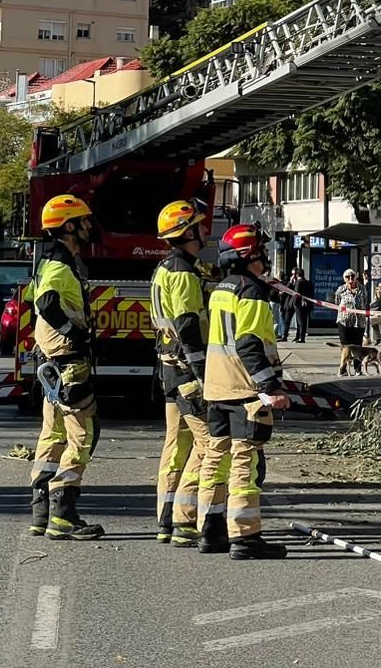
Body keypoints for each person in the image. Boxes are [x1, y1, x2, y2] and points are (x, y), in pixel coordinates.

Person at [198, 224, 289, 560]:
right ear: (250, 254)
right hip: (244, 389)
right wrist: (271, 386)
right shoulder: (250, 290)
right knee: (244, 465)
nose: (265, 256)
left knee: (215, 460)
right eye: (261, 250)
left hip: (217, 387)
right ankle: (246, 537)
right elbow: (249, 342)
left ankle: (211, 532)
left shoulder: (222, 288)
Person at [29, 193, 104, 541]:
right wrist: (75, 333)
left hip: (52, 364)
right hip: (66, 362)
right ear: (69, 226)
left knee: (53, 436)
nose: (90, 226)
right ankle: (63, 513)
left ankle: (41, 512)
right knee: (83, 435)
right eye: (84, 221)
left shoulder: (51, 262)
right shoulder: (59, 266)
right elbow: (46, 304)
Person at [150, 200, 213, 548]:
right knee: (206, 446)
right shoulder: (184, 273)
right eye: (199, 226)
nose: (204, 231)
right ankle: (186, 521)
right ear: (187, 232)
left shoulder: (164, 268)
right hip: (188, 370)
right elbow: (188, 322)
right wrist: (203, 369)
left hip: (168, 368)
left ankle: (165, 519)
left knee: (175, 446)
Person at [333, 269, 369, 374]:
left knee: (357, 346)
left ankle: (357, 369)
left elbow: (365, 301)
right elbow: (337, 302)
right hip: (344, 321)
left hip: (359, 322)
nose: (350, 279)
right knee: (345, 346)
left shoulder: (362, 289)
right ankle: (343, 368)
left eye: (352, 276)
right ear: (344, 279)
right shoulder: (341, 289)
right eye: (347, 277)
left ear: (356, 277)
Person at [289, 269, 313, 344]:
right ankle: (299, 336)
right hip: (307, 305)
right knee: (304, 321)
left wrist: (294, 304)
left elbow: (296, 293)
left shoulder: (299, 282)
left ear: (297, 275)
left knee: (300, 322)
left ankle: (301, 337)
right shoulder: (308, 282)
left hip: (299, 305)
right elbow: (311, 293)